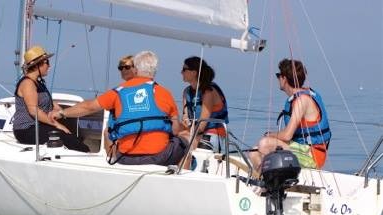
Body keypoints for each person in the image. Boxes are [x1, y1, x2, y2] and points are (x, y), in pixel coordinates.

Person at [50, 50, 188, 165]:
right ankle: (179, 180)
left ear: (135, 69)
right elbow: (175, 129)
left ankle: (112, 164)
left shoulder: (118, 92)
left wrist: (61, 113)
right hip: (159, 156)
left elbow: (88, 107)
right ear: (155, 70)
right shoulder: (165, 93)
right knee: (185, 140)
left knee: (107, 131)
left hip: (126, 158)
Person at [249, 58, 331, 171]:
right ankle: (266, 182)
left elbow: (287, 135)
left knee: (265, 143)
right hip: (300, 148)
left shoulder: (302, 100)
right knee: (254, 152)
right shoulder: (297, 98)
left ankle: (270, 182)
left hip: (312, 155)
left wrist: (269, 134)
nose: (278, 79)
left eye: (278, 75)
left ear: (284, 79)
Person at [13, 45, 89, 152]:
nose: (49, 66)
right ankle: (85, 153)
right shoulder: (28, 83)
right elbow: (34, 111)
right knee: (65, 137)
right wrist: (57, 125)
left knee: (72, 130)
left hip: (39, 125)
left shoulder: (38, 83)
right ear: (37, 65)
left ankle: (80, 146)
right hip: (27, 130)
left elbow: (45, 100)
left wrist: (62, 111)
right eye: (47, 62)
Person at [181, 56, 229, 152]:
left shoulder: (208, 92)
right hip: (193, 132)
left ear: (194, 73)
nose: (181, 72)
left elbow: (202, 124)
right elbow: (185, 116)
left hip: (212, 134)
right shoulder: (186, 92)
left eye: (184, 69)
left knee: (186, 147)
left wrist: (188, 137)